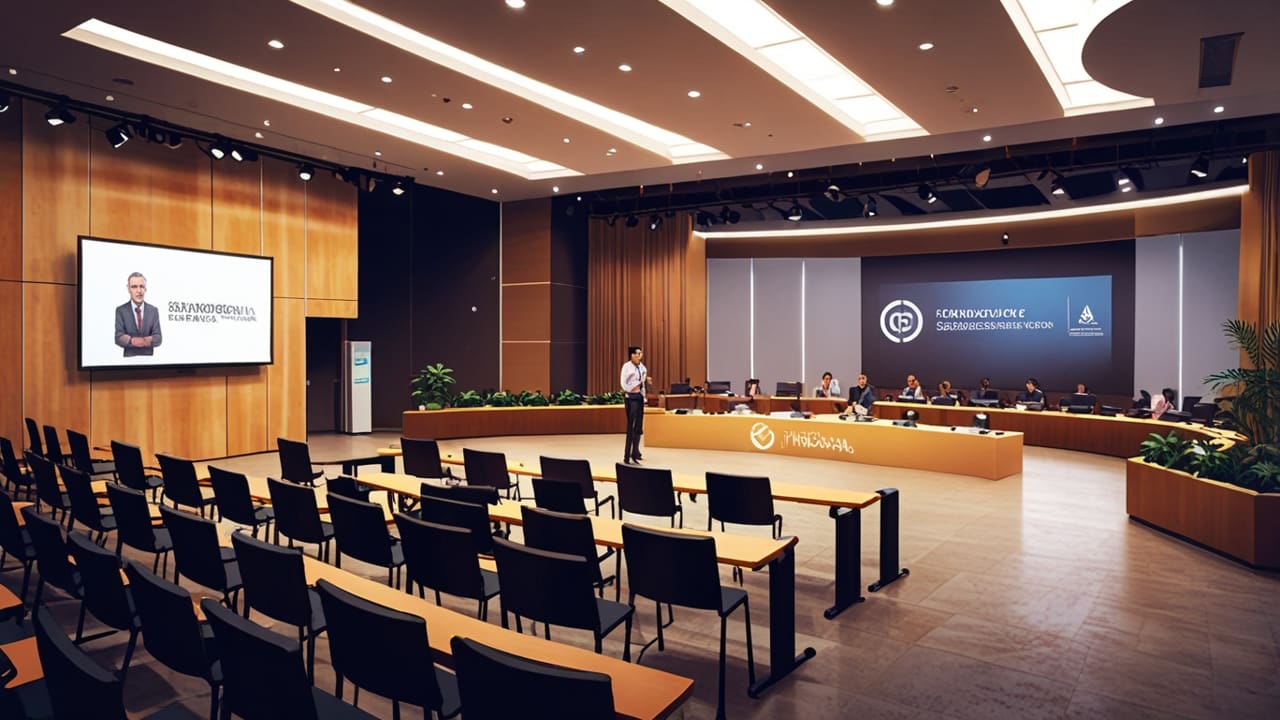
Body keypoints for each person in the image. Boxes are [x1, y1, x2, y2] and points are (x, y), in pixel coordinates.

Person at [114, 271, 162, 357]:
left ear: (145, 289)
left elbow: (158, 338)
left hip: (149, 360)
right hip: (128, 361)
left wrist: (144, 341)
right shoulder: (121, 310)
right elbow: (118, 337)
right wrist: (132, 341)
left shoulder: (153, 310)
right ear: (128, 289)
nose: (139, 291)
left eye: (142, 286)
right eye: (134, 287)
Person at [620, 346, 649, 464]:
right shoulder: (627, 367)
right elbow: (623, 384)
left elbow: (643, 383)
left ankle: (635, 452)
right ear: (632, 355)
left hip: (639, 397)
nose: (639, 356)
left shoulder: (642, 367)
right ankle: (626, 456)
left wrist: (643, 395)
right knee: (631, 426)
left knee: (638, 427)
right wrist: (633, 386)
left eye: (641, 353)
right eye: (637, 353)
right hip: (631, 398)